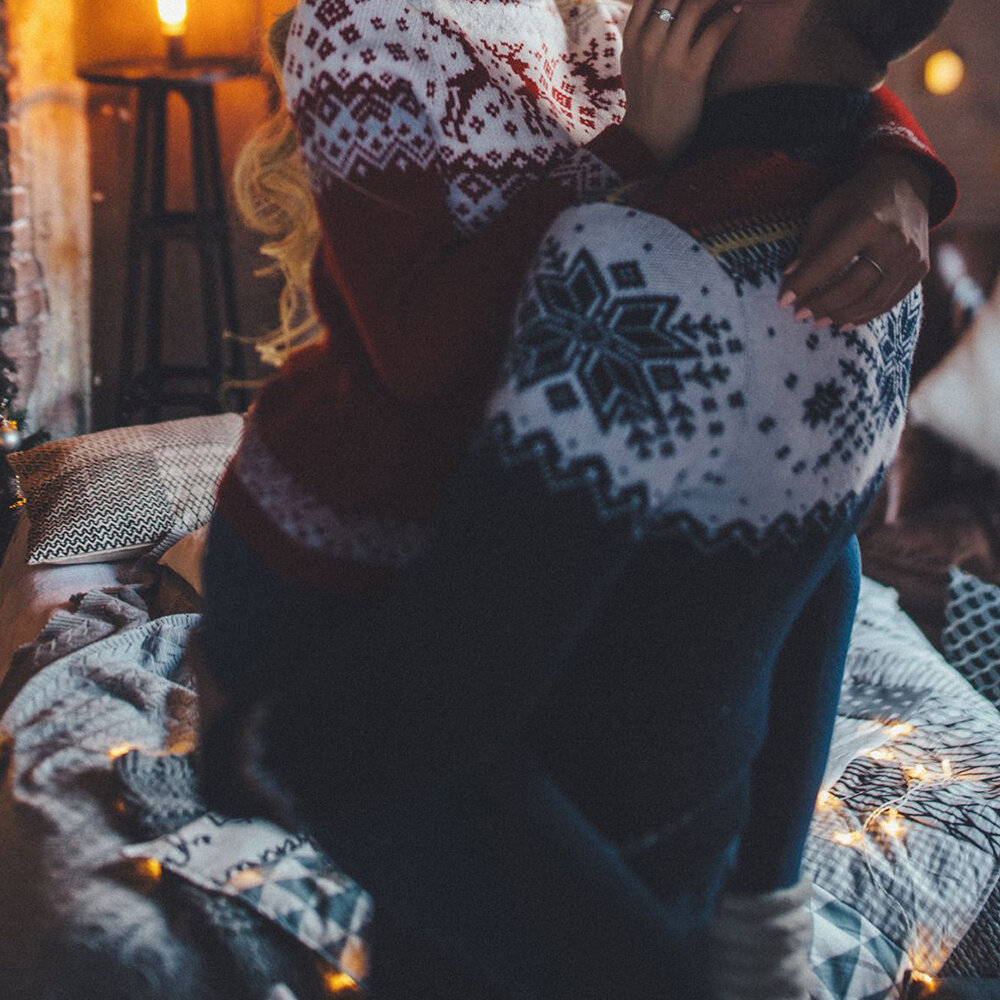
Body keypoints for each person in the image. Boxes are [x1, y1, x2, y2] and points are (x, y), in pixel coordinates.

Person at [195, 0, 957, 997]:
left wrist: (901, 167)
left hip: (517, 506)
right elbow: (416, 353)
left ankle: (757, 920)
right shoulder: (363, 24)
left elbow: (817, 49)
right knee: (460, 836)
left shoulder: (619, 10)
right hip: (340, 545)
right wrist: (629, 155)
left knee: (828, 562)